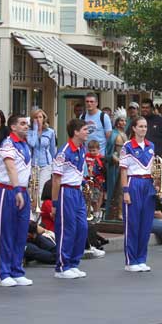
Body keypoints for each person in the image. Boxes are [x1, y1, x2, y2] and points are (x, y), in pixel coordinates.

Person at [0, 114, 34, 287]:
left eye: (27, 123)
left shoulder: (24, 145)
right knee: (4, 232)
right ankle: (2, 272)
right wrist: (16, 190)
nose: (26, 126)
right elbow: (10, 168)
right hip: (7, 190)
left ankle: (16, 269)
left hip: (22, 190)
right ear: (13, 127)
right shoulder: (8, 144)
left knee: (20, 232)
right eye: (22, 124)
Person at [51, 119, 90, 279]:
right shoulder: (64, 152)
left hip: (77, 191)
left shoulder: (81, 149)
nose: (87, 132)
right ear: (76, 132)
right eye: (85, 129)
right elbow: (56, 179)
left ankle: (74, 262)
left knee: (82, 227)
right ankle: (62, 266)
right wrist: (54, 203)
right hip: (66, 192)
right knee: (68, 228)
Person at [120, 115, 156, 272]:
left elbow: (153, 167)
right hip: (133, 182)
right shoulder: (127, 146)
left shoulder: (151, 145)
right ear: (134, 128)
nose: (144, 129)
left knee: (146, 224)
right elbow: (123, 170)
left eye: (145, 126)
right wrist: (125, 191)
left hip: (148, 183)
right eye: (140, 126)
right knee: (133, 223)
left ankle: (141, 258)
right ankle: (131, 260)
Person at [29, 107, 57, 195]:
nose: (38, 119)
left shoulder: (50, 132)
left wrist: (53, 165)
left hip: (46, 164)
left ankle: (40, 208)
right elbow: (32, 144)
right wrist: (35, 130)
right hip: (33, 164)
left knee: (42, 189)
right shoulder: (29, 132)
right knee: (33, 189)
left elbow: (53, 149)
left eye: (40, 117)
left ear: (44, 118)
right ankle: (32, 208)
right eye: (36, 117)